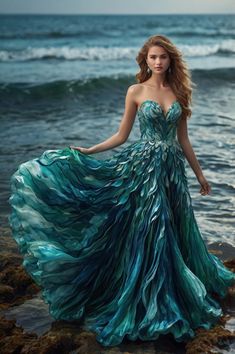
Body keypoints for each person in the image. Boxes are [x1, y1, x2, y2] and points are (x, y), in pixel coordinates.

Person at [9, 34, 235, 347]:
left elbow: (183, 140)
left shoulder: (180, 92)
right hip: (143, 169)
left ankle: (172, 290)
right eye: (152, 57)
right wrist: (90, 150)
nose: (157, 62)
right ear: (145, 60)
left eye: (163, 57)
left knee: (176, 231)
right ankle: (146, 294)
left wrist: (200, 176)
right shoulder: (136, 91)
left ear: (171, 60)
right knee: (154, 230)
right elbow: (121, 135)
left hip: (172, 172)